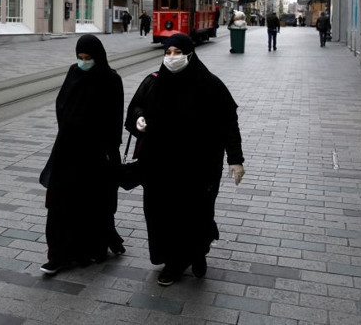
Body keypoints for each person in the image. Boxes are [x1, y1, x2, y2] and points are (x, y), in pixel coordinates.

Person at [124, 33, 245, 286]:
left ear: (190, 54)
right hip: (160, 165)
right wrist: (138, 119)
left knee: (195, 213)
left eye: (177, 53)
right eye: (167, 53)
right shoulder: (153, 82)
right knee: (163, 215)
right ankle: (173, 262)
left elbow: (228, 123)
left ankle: (197, 252)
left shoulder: (210, 85)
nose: (171, 58)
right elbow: (135, 108)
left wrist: (235, 159)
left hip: (198, 167)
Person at [39, 34, 125, 276]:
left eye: (88, 58)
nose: (83, 62)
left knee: (91, 203)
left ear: (98, 57)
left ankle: (89, 249)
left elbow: (115, 118)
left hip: (96, 153)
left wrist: (111, 149)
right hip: (68, 148)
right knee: (59, 203)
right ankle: (57, 255)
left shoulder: (110, 79)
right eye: (80, 58)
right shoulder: (74, 72)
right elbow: (61, 103)